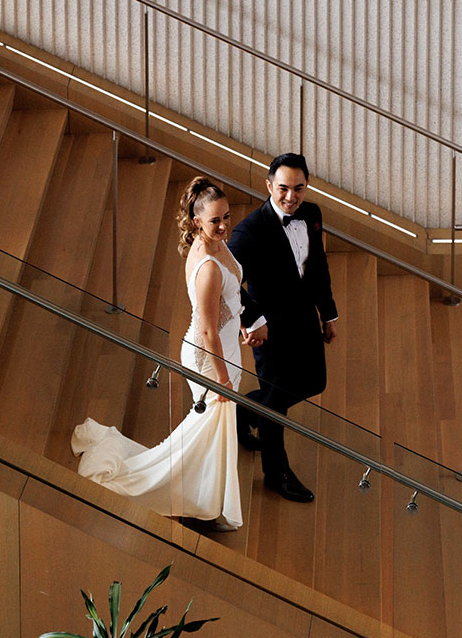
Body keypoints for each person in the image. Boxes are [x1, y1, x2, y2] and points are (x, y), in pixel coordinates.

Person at [71, 176, 246, 530]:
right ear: (197, 222)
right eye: (216, 220)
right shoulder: (208, 267)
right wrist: (224, 379)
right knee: (205, 429)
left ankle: (204, 496)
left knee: (211, 431)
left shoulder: (213, 245)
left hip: (222, 347)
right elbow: (209, 329)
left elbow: (223, 310)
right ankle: (179, 493)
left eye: (227, 216)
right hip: (211, 359)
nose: (225, 225)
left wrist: (239, 321)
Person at [228, 152, 338, 503]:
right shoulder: (249, 232)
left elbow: (317, 266)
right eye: (283, 189)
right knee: (276, 405)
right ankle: (276, 474)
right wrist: (252, 320)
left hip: (305, 318)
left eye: (299, 189)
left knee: (313, 381)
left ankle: (244, 410)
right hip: (269, 330)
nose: (291, 198)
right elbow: (225, 283)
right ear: (268, 186)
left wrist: (328, 313)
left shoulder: (311, 214)